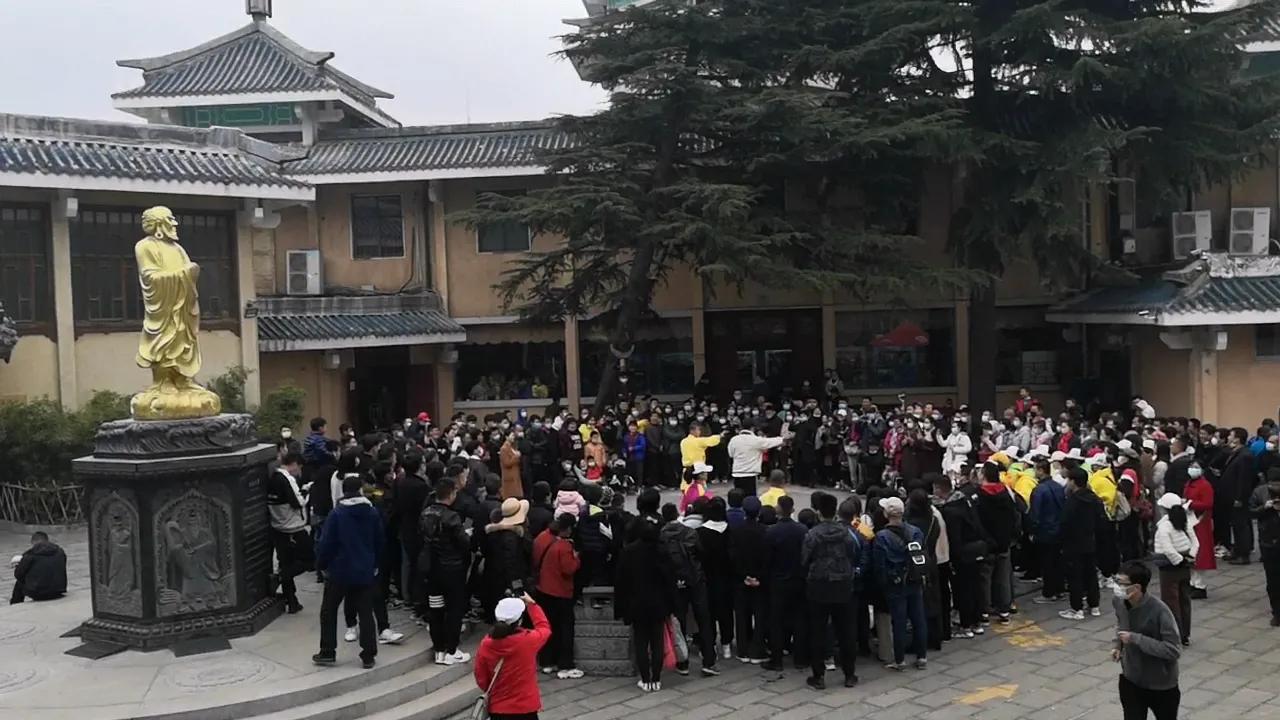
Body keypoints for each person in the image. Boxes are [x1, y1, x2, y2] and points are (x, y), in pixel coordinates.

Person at [313, 475, 385, 669]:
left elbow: (326, 543)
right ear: (360, 490)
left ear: (344, 492)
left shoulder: (337, 514)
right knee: (366, 613)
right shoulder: (372, 512)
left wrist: (321, 565)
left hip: (340, 570)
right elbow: (379, 540)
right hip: (364, 570)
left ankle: (328, 651)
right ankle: (368, 654)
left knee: (328, 611)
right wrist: (375, 563)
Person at [799, 492, 860, 690]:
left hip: (819, 585)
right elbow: (852, 554)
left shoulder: (812, 534)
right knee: (846, 630)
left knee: (818, 630)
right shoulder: (846, 533)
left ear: (818, 512)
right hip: (843, 584)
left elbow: (804, 559)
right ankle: (849, 674)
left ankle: (818, 676)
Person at [615, 507, 676, 691]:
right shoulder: (662, 550)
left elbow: (621, 581)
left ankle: (645, 679)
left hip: (636, 603)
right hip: (658, 603)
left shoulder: (628, 552)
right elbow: (670, 579)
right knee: (657, 641)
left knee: (640, 641)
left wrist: (620, 608)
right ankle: (656, 678)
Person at [1111, 561, 1182, 720]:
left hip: (1161, 684)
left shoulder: (1159, 611)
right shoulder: (1119, 602)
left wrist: (1136, 639)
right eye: (1116, 581)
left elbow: (1173, 650)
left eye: (1121, 583)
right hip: (1131, 679)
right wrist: (1118, 645)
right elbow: (1121, 624)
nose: (1117, 587)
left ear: (1137, 587)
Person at [421, 479, 473, 666]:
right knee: (454, 610)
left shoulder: (425, 513)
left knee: (435, 609)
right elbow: (464, 543)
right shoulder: (452, 517)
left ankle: (439, 649)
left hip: (431, 570)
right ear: (451, 494)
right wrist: (468, 535)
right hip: (452, 570)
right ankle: (451, 649)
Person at [474, 594, 552, 720]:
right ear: (519, 621)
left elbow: (481, 676)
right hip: (526, 707)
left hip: (498, 708)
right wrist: (532, 604)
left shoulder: (486, 644)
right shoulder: (529, 640)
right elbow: (544, 628)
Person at [873, 496, 928, 671]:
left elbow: (880, 565)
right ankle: (922, 656)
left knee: (899, 621)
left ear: (886, 514)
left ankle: (900, 660)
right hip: (914, 578)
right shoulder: (915, 532)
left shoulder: (882, 536)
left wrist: (883, 584)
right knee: (918, 619)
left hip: (895, 582)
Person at [532, 514, 582, 679]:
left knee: (547, 627)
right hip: (561, 591)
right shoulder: (564, 546)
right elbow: (569, 569)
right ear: (568, 529)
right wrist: (576, 558)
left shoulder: (541, 538)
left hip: (543, 589)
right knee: (565, 628)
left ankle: (547, 662)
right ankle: (565, 665)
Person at [763, 495, 808, 671]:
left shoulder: (772, 532)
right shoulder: (802, 530)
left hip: (778, 581)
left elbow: (767, 559)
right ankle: (800, 658)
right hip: (798, 580)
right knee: (799, 619)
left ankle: (776, 659)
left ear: (779, 509)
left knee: (776, 621)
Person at [267, 450, 310, 614]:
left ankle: (292, 601)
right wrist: (306, 492)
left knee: (286, 562)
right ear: (294, 464)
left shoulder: (272, 477)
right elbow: (298, 502)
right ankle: (279, 577)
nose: (299, 472)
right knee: (309, 559)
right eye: (299, 467)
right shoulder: (286, 478)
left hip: (277, 527)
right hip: (293, 527)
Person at [1060, 467, 1106, 620]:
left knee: (1075, 576)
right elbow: (1102, 521)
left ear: (1073, 482)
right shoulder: (1094, 499)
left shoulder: (1072, 501)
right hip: (1091, 543)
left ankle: (1077, 608)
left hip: (1073, 544)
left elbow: (1065, 523)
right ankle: (1094, 606)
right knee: (1091, 574)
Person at [1153, 493, 1196, 646]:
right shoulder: (1184, 521)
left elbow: (1168, 549)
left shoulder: (1164, 526)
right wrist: (1190, 557)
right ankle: (1185, 634)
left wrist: (1178, 561)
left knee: (1171, 603)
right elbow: (1195, 542)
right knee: (1185, 601)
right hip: (1185, 566)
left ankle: (1174, 635)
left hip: (1169, 568)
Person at [729, 495, 768, 663]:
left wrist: (743, 575)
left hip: (741, 579)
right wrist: (759, 577)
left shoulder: (736, 530)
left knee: (741, 614)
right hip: (760, 580)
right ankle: (758, 650)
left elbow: (733, 556)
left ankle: (742, 649)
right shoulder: (765, 531)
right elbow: (767, 557)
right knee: (760, 615)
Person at [1029, 453, 1066, 604]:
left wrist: (1032, 530)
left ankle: (1048, 593)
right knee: (1057, 562)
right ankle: (1059, 589)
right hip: (1058, 529)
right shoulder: (1059, 487)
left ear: (1041, 470)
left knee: (1047, 564)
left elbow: (1035, 513)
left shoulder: (1039, 490)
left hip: (1045, 531)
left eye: (1035, 469)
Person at [1249, 469, 1280, 625]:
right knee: (1273, 580)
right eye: (1273, 484)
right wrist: (1265, 507)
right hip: (1268, 542)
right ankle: (1277, 612)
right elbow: (1251, 511)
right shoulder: (1259, 492)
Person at [1221, 428, 1255, 565]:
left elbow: (1244, 479)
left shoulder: (1245, 455)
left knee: (1241, 525)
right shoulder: (1236, 452)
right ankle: (1237, 550)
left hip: (1238, 497)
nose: (1228, 437)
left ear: (1237, 438)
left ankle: (1243, 554)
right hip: (1230, 496)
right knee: (1235, 525)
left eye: (1231, 435)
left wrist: (1239, 498)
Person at [1182, 461, 1215, 599]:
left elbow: (1208, 503)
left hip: (1200, 522)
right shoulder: (1188, 483)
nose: (1192, 469)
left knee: (1200, 555)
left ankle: (1200, 586)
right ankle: (1192, 583)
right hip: (1189, 521)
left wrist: (1190, 504)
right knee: (1192, 554)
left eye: (1196, 467)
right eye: (1191, 466)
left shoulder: (1205, 485)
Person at [728, 422, 787, 496]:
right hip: (750, 474)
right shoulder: (755, 440)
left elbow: (731, 454)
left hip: (737, 473)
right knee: (750, 498)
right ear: (752, 428)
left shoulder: (734, 439)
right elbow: (769, 442)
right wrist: (782, 438)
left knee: (737, 496)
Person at [9, 531, 66, 604]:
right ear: (47, 540)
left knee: (19, 583)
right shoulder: (60, 551)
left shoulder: (30, 554)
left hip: (38, 593)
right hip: (59, 590)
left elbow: (18, 575)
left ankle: (15, 604)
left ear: (33, 542)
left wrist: (19, 566)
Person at [680, 422, 722, 488]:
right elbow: (711, 440)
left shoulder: (683, 441)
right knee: (699, 489)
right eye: (698, 430)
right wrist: (721, 435)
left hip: (687, 469)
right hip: (698, 469)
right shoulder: (698, 441)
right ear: (692, 431)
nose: (699, 432)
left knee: (686, 488)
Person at [500, 431, 524, 500]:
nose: (513, 437)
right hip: (509, 477)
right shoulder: (504, 449)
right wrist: (516, 456)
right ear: (506, 437)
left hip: (515, 476)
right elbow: (506, 463)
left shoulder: (512, 447)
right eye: (512, 435)